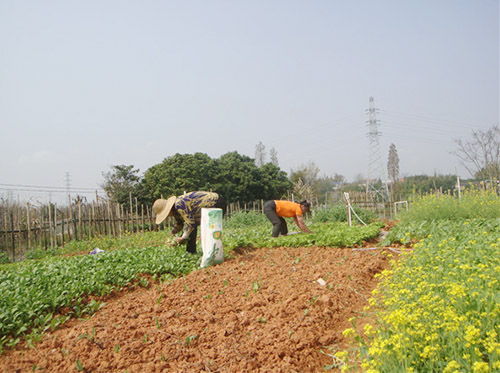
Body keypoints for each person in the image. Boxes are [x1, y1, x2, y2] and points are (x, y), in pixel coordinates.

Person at [153, 191, 226, 254]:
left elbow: (190, 223)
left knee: (209, 229)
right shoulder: (176, 211)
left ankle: (213, 252)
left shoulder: (179, 205)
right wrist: (173, 232)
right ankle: (191, 252)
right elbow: (179, 223)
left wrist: (183, 237)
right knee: (192, 228)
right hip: (210, 207)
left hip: (215, 203)